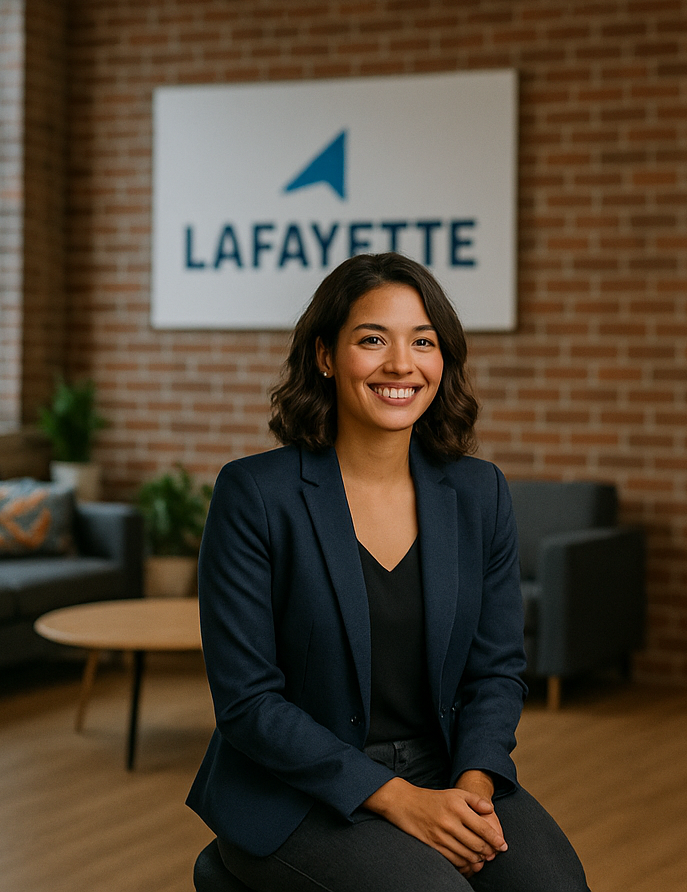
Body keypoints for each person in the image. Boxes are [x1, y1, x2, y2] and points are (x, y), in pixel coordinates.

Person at [186, 252, 590, 892]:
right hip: (295, 790)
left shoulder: (478, 492)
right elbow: (249, 704)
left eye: (422, 342)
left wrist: (473, 786)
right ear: (325, 354)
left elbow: (496, 670)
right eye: (373, 339)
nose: (401, 364)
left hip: (447, 769)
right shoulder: (255, 494)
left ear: (442, 360)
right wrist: (398, 799)